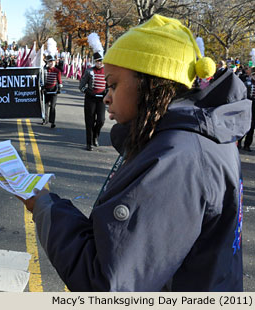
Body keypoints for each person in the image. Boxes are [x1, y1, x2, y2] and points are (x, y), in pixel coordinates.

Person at [17, 14, 250, 291]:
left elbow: (108, 284)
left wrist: (46, 207)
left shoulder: (176, 158)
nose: (106, 96)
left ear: (150, 84)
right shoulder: (196, 137)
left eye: (113, 84)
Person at [79, 33, 106, 151]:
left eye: (101, 60)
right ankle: (89, 143)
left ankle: (96, 136)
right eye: (98, 61)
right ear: (95, 61)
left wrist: (107, 91)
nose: (99, 63)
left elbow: (110, 84)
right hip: (90, 99)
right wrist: (87, 92)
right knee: (89, 121)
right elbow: (81, 86)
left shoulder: (107, 71)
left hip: (101, 99)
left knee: (101, 120)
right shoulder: (89, 71)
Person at [43, 54, 62, 128]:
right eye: (50, 61)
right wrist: (43, 88)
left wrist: (59, 89)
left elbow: (59, 81)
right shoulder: (44, 70)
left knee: (53, 106)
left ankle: (52, 122)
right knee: (45, 105)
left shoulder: (57, 71)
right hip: (46, 89)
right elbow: (42, 80)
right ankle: (45, 119)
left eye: (52, 61)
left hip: (54, 89)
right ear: (47, 62)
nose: (51, 63)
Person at [238, 67, 255, 151]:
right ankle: (239, 142)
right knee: (244, 125)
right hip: (247, 104)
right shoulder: (247, 83)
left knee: (252, 128)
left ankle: (247, 145)